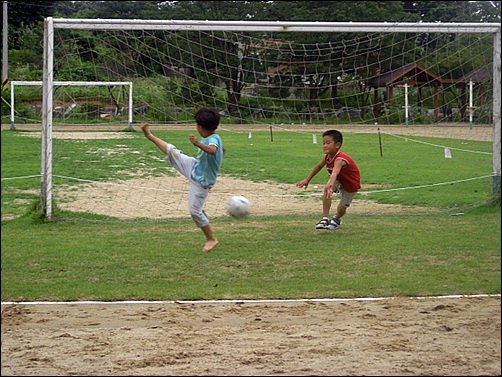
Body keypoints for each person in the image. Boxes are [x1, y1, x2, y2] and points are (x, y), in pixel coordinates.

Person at [139, 107, 224, 252]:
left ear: (200, 127)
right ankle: (150, 136)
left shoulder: (213, 139)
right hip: (195, 168)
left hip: (202, 181)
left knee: (194, 211)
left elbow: (212, 150)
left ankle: (211, 239)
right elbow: (219, 151)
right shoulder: (212, 139)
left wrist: (197, 143)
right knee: (173, 152)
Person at [296, 129, 360, 230]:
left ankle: (337, 219)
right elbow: (318, 167)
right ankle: (325, 218)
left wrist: (331, 184)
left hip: (351, 183)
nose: (325, 146)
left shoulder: (340, 159)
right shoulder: (327, 157)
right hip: (339, 179)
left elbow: (335, 172)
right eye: (323, 143)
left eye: (328, 143)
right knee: (326, 190)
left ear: (337, 145)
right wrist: (307, 180)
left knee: (341, 208)